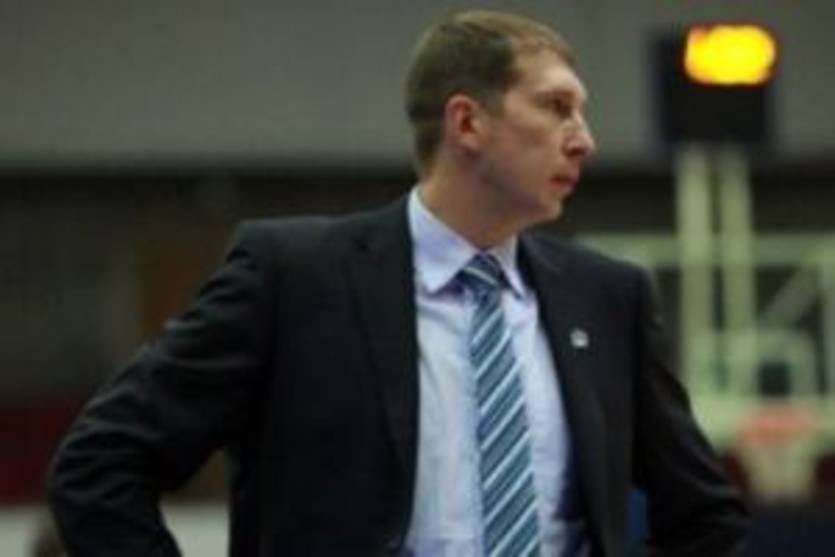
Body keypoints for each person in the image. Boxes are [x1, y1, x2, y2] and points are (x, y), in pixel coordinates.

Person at [47, 10, 749, 557]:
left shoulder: (608, 297)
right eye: (556, 106)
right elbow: (98, 465)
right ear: (467, 121)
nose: (583, 139)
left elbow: (704, 513)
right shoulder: (294, 277)